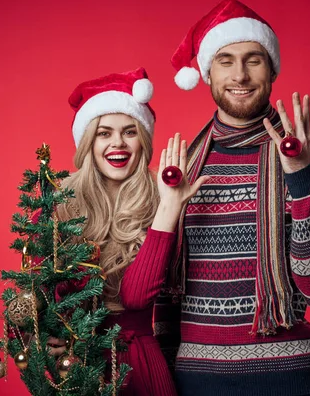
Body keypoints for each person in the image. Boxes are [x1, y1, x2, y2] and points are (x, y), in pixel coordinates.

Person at [155, 0, 310, 396]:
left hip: (288, 379)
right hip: (194, 382)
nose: (240, 75)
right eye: (225, 60)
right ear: (207, 73)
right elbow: (157, 295)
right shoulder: (177, 173)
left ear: (273, 68)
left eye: (253, 60)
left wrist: (300, 177)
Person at [49, 68, 208, 396]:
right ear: (88, 142)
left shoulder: (162, 196)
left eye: (129, 131)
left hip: (140, 364)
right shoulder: (58, 203)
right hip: (76, 369)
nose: (117, 143)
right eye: (104, 133)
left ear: (144, 139)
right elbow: (33, 298)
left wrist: (167, 209)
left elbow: (135, 298)